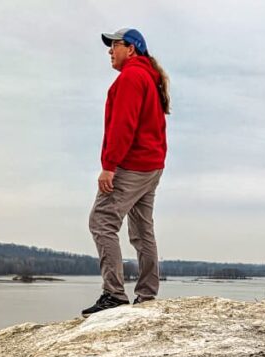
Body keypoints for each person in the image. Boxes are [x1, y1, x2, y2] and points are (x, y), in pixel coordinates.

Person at [82, 27, 171, 315]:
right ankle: (146, 295)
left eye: (115, 45)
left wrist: (109, 166)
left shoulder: (131, 77)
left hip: (131, 165)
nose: (110, 51)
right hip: (152, 166)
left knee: (101, 221)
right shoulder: (149, 77)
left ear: (131, 49)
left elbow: (123, 125)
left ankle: (114, 294)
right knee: (142, 230)